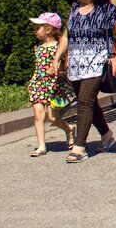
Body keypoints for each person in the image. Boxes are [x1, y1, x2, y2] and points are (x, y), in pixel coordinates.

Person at [51, 0, 116, 163]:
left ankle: (79, 147)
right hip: (75, 65)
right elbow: (67, 37)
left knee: (84, 101)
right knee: (90, 102)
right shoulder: (74, 9)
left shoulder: (107, 9)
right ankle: (107, 135)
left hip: (97, 62)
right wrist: (57, 58)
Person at [27, 12, 73, 157]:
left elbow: (64, 66)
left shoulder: (59, 47)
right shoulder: (38, 48)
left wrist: (56, 70)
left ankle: (69, 129)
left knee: (53, 118)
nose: (35, 31)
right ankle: (41, 146)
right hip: (38, 84)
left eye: (38, 28)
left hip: (53, 86)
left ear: (48, 29)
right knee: (38, 114)